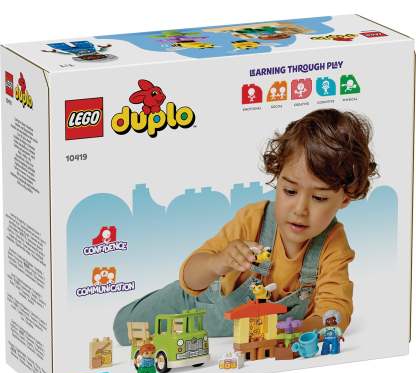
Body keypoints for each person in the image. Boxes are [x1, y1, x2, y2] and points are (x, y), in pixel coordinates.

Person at [113, 109, 378, 345]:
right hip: (200, 301)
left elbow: (335, 310)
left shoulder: (332, 244)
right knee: (125, 329)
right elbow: (191, 277)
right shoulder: (255, 220)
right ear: (278, 177)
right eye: (289, 191)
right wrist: (218, 262)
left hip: (237, 335)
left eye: (319, 198)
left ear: (345, 198)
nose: (300, 209)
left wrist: (294, 333)